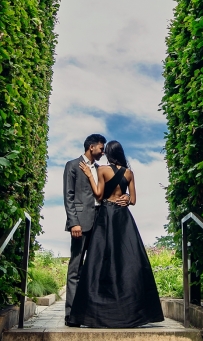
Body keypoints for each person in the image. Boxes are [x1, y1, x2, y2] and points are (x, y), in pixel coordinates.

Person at [68, 140, 164, 328]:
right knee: (127, 260)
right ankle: (133, 310)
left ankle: (96, 311)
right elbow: (133, 200)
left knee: (99, 261)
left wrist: (89, 175)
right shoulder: (129, 173)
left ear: (109, 154)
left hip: (106, 216)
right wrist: (126, 197)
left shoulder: (102, 170)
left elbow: (98, 195)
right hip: (124, 218)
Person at [63, 134, 130, 326]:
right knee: (75, 267)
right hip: (81, 223)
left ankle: (93, 313)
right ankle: (71, 314)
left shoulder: (102, 169)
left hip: (103, 222)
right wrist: (73, 222)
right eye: (101, 148)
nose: (103, 152)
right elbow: (68, 197)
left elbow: (112, 189)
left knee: (98, 268)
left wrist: (125, 197)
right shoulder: (72, 165)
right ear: (91, 147)